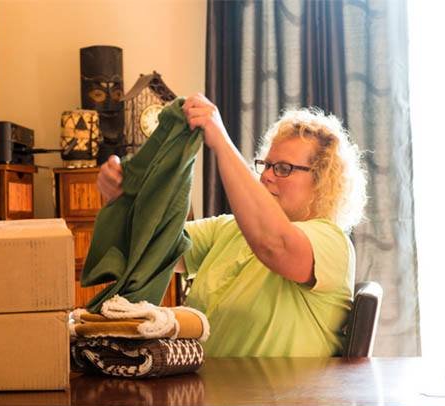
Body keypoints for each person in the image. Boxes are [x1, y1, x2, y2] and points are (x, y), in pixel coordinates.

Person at [96, 93, 367, 357]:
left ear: (322, 182)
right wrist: (123, 200)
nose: (268, 176)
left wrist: (221, 142)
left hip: (277, 401)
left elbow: (275, 245)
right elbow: (151, 245)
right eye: (266, 165)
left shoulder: (332, 242)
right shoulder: (229, 229)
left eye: (283, 168)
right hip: (208, 396)